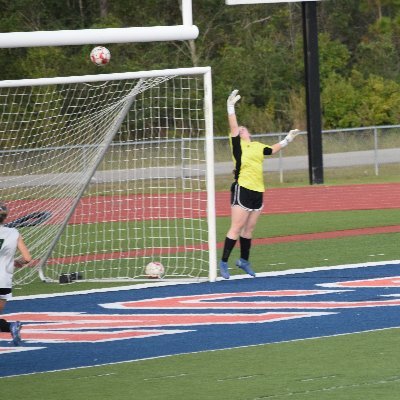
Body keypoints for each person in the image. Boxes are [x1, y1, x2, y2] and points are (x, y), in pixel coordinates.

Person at [219, 90, 300, 279]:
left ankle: (244, 261)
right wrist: (230, 107)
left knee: (249, 229)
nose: (241, 130)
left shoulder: (256, 146)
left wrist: (288, 139)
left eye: (243, 129)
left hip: (258, 190)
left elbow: (272, 150)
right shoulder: (238, 146)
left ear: (249, 133)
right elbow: (233, 127)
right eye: (239, 130)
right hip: (243, 188)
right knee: (236, 228)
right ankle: (223, 262)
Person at [0, 202, 32, 345]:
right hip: (4, 282)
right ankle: (11, 327)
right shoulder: (14, 233)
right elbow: (27, 258)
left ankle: (10, 326)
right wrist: (13, 262)